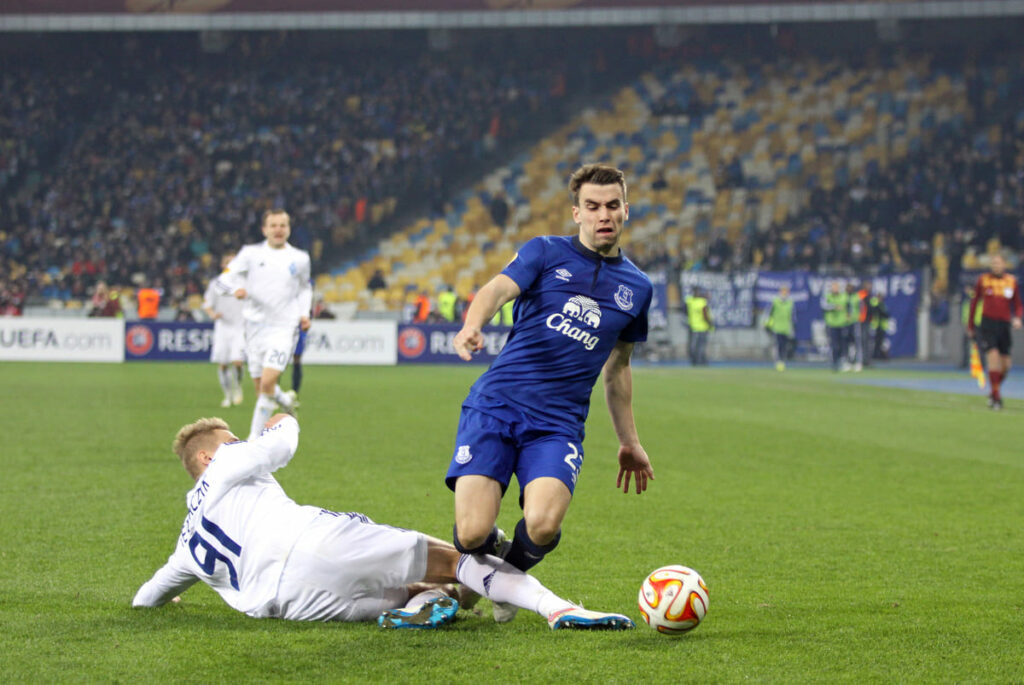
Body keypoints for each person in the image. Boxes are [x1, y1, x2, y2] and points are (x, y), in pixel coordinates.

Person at [132, 413, 633, 631]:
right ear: (203, 456)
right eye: (230, 438)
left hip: (287, 605)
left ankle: (427, 602)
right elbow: (282, 445)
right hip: (311, 543)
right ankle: (555, 607)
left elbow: (148, 594)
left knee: (417, 590)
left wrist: (168, 598)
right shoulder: (222, 465)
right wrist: (281, 420)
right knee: (454, 561)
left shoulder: (184, 540)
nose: (239, 443)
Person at [447, 164, 654, 623]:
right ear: (576, 212)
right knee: (472, 529)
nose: (604, 214)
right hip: (496, 406)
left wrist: (629, 442)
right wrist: (472, 325)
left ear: (626, 211)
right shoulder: (545, 251)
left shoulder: (638, 288)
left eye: (613, 205)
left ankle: (508, 581)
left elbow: (618, 371)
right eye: (593, 206)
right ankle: (491, 561)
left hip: (557, 424)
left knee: (542, 524)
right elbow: (498, 288)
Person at [217, 209, 311, 440]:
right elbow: (223, 280)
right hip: (254, 328)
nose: (278, 229)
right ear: (264, 229)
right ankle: (286, 401)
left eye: (283, 225)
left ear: (288, 229)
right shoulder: (250, 254)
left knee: (268, 382)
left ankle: (253, 441)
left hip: (284, 327)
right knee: (262, 388)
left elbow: (305, 287)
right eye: (273, 225)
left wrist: (304, 313)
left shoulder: (300, 258)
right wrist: (234, 289)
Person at [967, 253, 1023, 410]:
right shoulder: (983, 280)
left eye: (998, 263)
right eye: (993, 263)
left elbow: (1018, 304)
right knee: (993, 358)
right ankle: (997, 400)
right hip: (988, 324)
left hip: (1004, 325)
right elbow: (974, 302)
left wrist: (1018, 317)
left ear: (1004, 265)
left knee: (1006, 365)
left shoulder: (1011, 281)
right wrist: (970, 325)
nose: (996, 266)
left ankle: (993, 391)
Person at [203, 253, 246, 407]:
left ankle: (238, 388)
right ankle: (227, 396)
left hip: (240, 327)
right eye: (228, 262)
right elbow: (207, 304)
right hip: (222, 327)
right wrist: (213, 314)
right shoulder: (216, 283)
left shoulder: (244, 283)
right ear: (222, 265)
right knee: (222, 364)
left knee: (238, 362)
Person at [765, 285, 794, 371]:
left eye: (786, 292)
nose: (784, 293)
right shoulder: (775, 301)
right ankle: (778, 362)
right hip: (776, 327)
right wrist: (768, 325)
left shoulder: (790, 303)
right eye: (783, 291)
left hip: (786, 328)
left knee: (784, 346)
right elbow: (770, 314)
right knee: (778, 345)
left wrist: (792, 327)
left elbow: (792, 316)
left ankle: (782, 361)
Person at [823, 281, 848, 372]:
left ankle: (842, 361)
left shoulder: (843, 296)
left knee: (842, 344)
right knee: (834, 344)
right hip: (832, 324)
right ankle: (834, 363)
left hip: (842, 323)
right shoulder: (827, 296)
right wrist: (834, 307)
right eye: (834, 287)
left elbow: (848, 306)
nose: (835, 289)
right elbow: (824, 306)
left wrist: (848, 316)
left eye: (836, 287)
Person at [685, 287, 712, 366]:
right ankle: (699, 361)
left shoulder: (691, 301)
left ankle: (698, 361)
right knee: (698, 347)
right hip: (698, 327)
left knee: (698, 346)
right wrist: (710, 323)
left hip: (699, 327)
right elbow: (705, 315)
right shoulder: (700, 302)